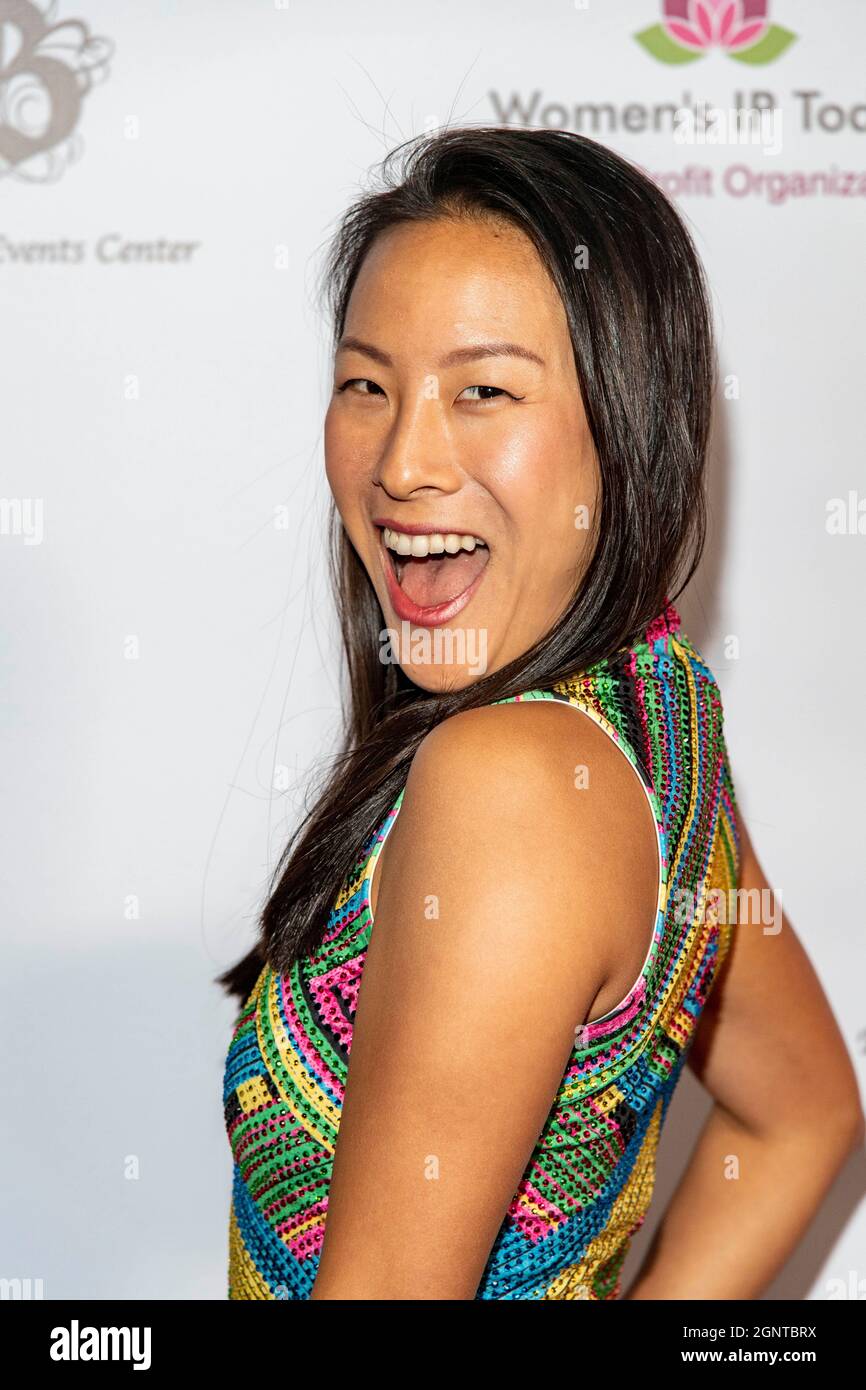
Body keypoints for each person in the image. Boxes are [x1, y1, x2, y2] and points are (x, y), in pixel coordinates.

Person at [218, 126, 864, 1301]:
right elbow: (799, 1115)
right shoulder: (652, 727)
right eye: (367, 384)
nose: (402, 461)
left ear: (624, 424)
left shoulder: (508, 782)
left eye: (483, 391)